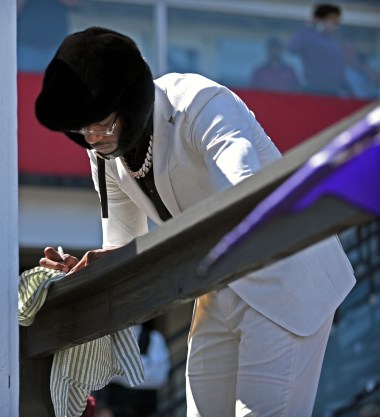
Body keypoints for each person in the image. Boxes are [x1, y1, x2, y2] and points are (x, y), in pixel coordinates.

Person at [35, 27, 356, 417]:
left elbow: (242, 196)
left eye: (102, 123)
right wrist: (84, 270)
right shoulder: (103, 154)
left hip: (283, 275)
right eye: (81, 130)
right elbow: (123, 245)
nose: (94, 138)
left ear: (131, 98)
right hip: (217, 287)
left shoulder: (202, 103)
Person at [95, 320, 170, 417]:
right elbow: (102, 373)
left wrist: (121, 373)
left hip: (147, 411)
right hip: (114, 410)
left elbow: (160, 378)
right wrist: (143, 367)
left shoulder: (154, 338)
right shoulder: (109, 340)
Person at [287, 3, 351, 96]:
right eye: (333, 22)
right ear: (320, 21)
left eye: (337, 23)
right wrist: (309, 25)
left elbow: (342, 69)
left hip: (334, 92)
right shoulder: (308, 36)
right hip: (313, 91)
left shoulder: (338, 41)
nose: (336, 26)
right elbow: (291, 48)